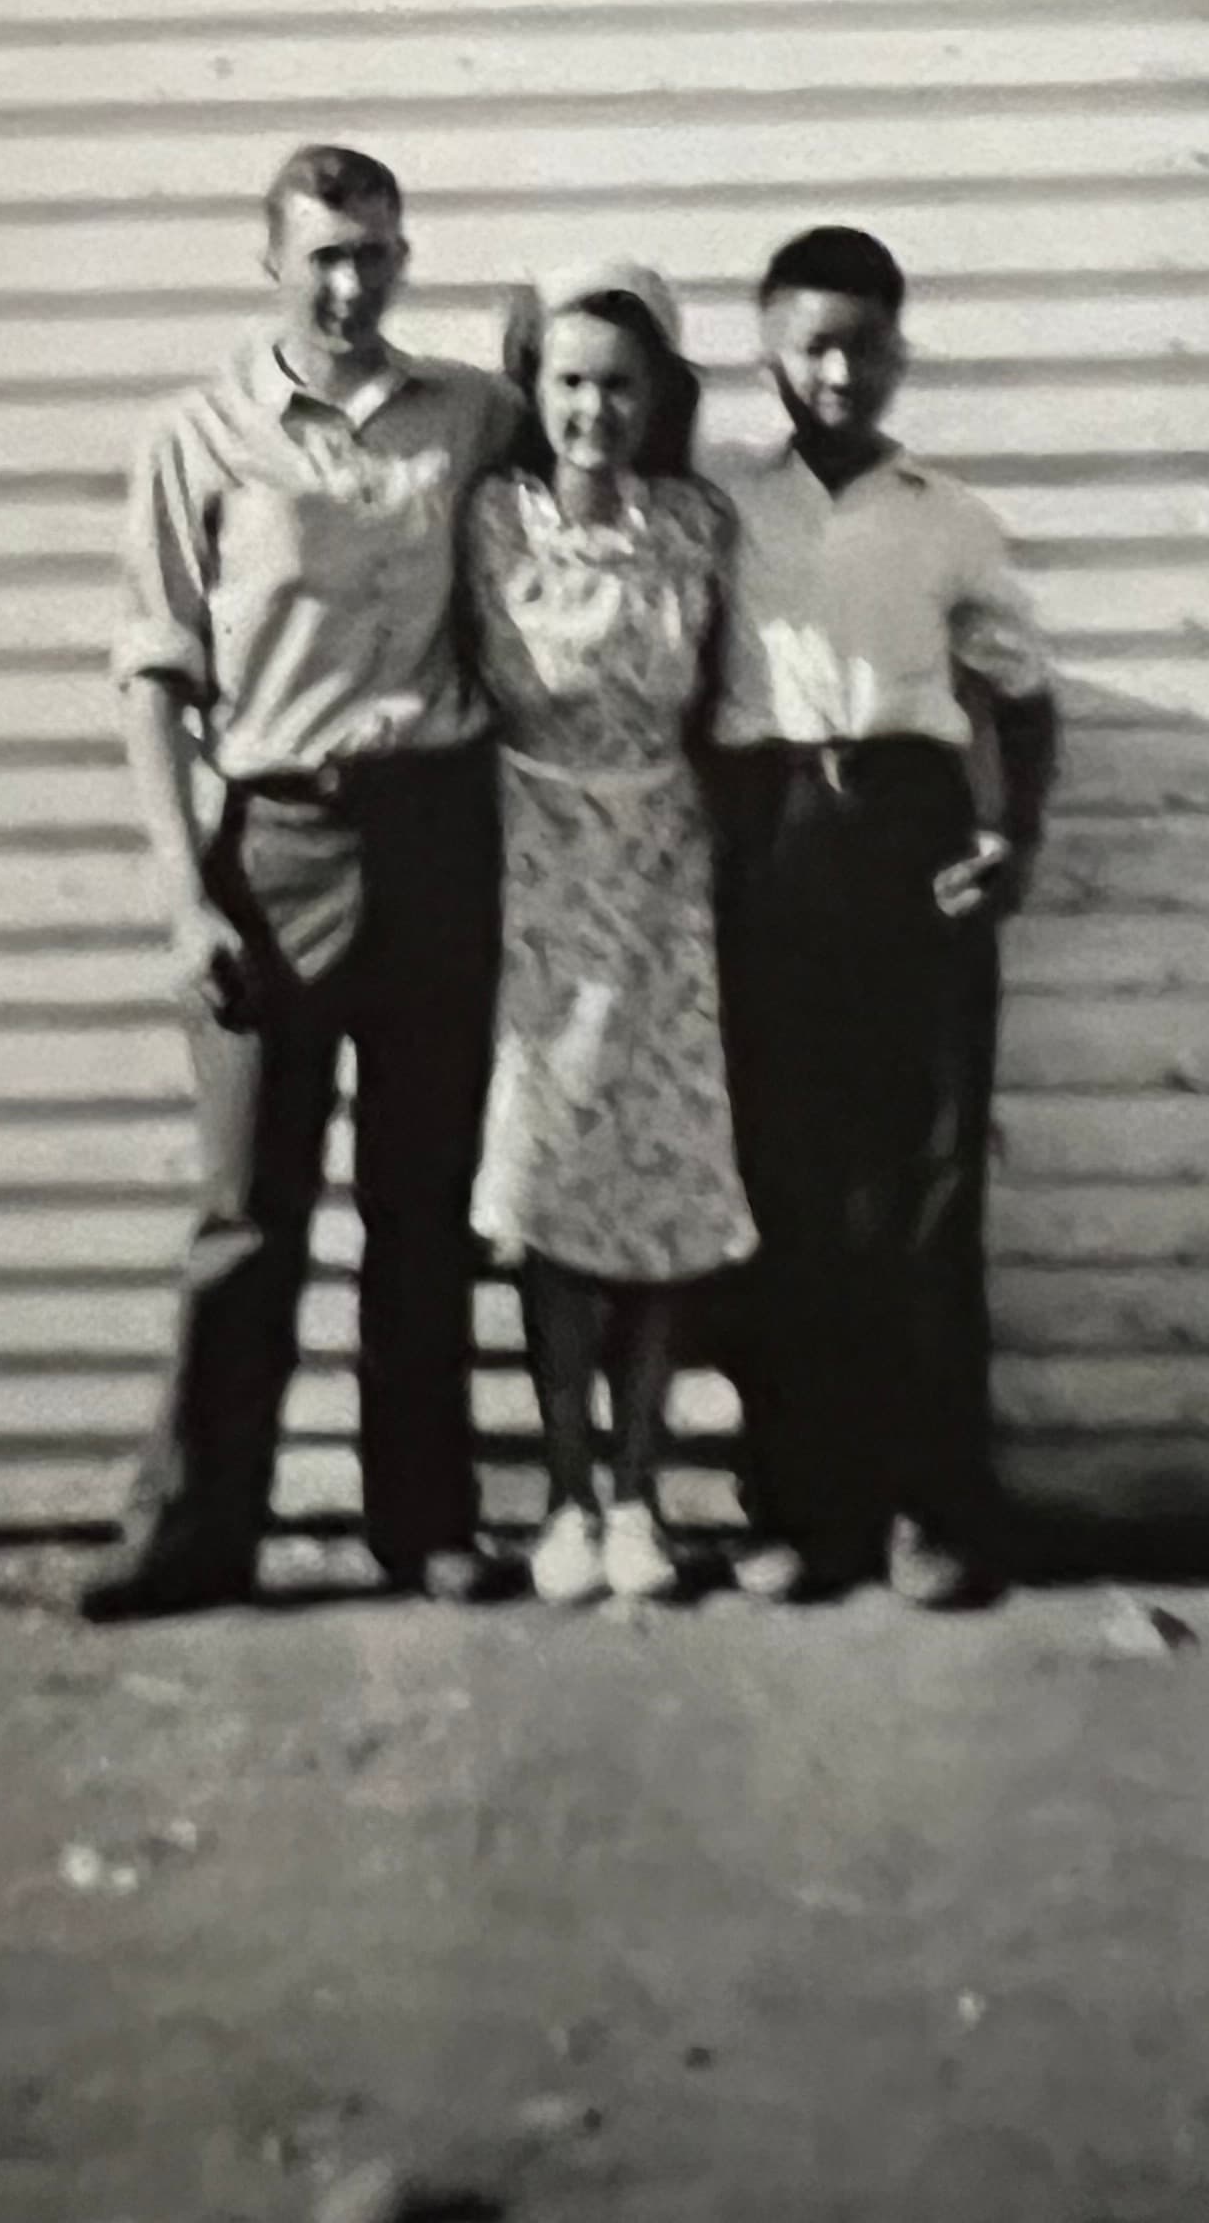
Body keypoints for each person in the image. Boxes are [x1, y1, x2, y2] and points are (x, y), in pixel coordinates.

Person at [83, 144, 522, 1620]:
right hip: (274, 840)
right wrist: (182, 895)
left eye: (379, 252)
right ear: (267, 256)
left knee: (422, 1203)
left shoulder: (474, 417)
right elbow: (153, 682)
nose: (353, 283)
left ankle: (428, 1521)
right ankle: (196, 1533)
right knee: (248, 1216)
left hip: (441, 839)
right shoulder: (197, 438)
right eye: (326, 254)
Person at [708, 224, 1060, 1610]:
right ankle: (804, 1507)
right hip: (769, 838)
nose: (840, 372)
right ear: (768, 354)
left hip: (909, 840)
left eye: (865, 345)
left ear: (901, 351)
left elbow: (1020, 694)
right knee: (786, 1189)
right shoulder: (718, 500)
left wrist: (1009, 837)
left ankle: (935, 1508)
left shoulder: (947, 515)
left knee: (925, 1187)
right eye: (813, 346)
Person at [463, 263, 756, 1609]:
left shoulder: (697, 525)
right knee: (556, 1191)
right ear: (535, 389)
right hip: (534, 875)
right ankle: (565, 1494)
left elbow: (733, 704)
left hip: (663, 874)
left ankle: (641, 1492)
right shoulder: (490, 526)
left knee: (664, 1179)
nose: (596, 408)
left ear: (659, 398)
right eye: (572, 381)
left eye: (621, 384)